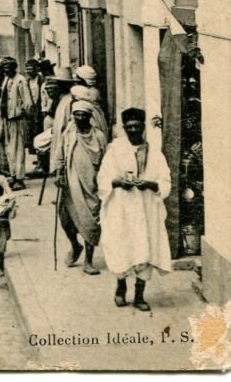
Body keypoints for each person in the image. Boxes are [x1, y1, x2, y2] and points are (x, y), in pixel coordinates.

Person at [98, 108, 172, 311]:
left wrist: (149, 184)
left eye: (136, 127)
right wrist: (118, 182)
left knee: (144, 248)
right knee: (122, 246)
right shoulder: (115, 150)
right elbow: (103, 178)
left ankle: (140, 295)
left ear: (142, 127)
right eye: (129, 127)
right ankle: (121, 287)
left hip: (147, 209)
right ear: (124, 128)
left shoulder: (154, 152)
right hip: (121, 208)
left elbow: (165, 179)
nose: (133, 130)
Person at [56, 101, 107, 275]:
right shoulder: (69, 133)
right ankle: (75, 245)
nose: (79, 118)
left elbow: (105, 160)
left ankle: (89, 261)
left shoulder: (99, 136)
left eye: (83, 115)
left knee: (90, 222)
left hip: (91, 184)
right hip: (70, 182)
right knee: (65, 218)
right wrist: (59, 173)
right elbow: (60, 153)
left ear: (89, 117)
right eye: (76, 114)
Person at [1, 57, 33, 191]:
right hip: (7, 118)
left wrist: (22, 114)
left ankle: (19, 178)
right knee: (9, 149)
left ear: (14, 67)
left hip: (17, 119)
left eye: (9, 67)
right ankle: (13, 175)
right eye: (5, 68)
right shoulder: (6, 80)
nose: (6, 70)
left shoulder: (21, 80)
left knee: (18, 149)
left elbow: (28, 102)